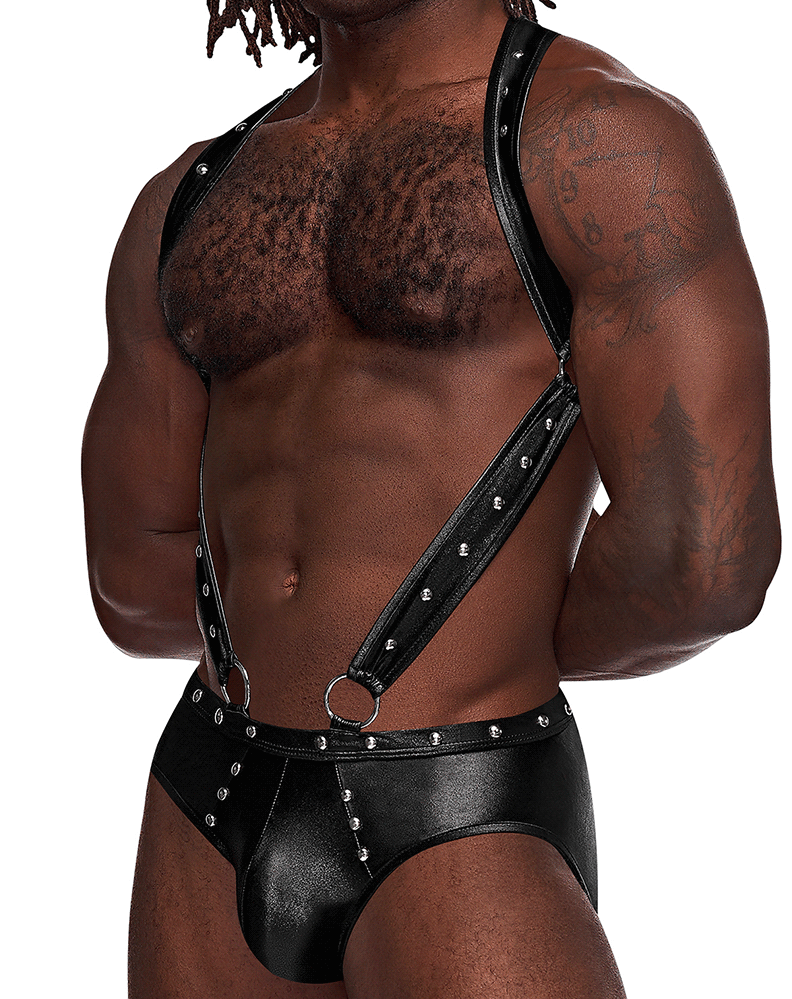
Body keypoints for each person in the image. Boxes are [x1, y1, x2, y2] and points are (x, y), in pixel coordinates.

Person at [81, 0, 781, 995]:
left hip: (456, 801)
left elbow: (707, 563)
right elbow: (132, 581)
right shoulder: (188, 194)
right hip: (209, 795)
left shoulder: (600, 145)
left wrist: (485, 652)